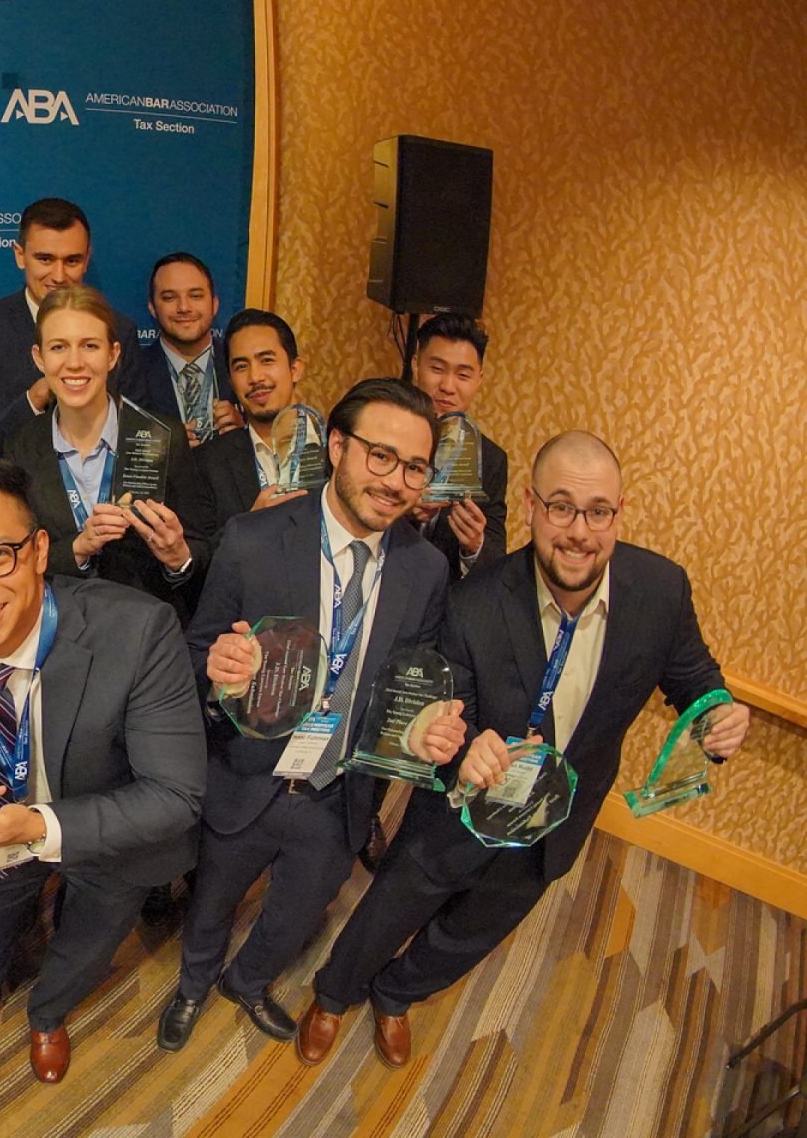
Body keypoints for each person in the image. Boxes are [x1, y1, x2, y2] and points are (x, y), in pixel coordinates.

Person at [296, 431, 752, 1068]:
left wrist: (719, 712)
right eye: (561, 507)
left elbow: (695, 677)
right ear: (533, 507)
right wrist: (461, 749)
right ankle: (334, 993)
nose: (578, 532)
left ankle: (399, 993)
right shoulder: (475, 601)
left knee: (476, 927)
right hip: (459, 808)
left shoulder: (662, 591)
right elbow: (443, 709)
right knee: (394, 905)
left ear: (619, 513)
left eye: (598, 512)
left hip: (554, 820)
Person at [0, 457, 206, 1083]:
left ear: (38, 550)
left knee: (87, 941)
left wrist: (37, 826)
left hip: (107, 836)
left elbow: (174, 795)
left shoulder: (137, 630)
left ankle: (48, 1015)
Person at [157, 378, 458, 1054]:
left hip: (339, 792)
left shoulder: (426, 569)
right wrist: (220, 666)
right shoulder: (253, 539)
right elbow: (200, 645)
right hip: (248, 772)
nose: (396, 481)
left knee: (297, 912)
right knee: (211, 903)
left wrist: (427, 723)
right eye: (381, 456)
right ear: (339, 446)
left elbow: (413, 678)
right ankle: (194, 985)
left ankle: (248, 983)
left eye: (415, 467)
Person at [1, 286, 212, 622]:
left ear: (113, 355)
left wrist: (178, 556)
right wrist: (79, 548)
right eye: (59, 347)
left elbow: (203, 550)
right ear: (39, 358)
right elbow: (16, 560)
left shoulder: (163, 436)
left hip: (146, 635)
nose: (74, 363)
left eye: (90, 346)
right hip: (57, 636)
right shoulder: (20, 447)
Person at [0, 198, 143, 446]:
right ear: (20, 255)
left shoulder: (120, 330)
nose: (58, 276)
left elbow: (139, 433)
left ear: (87, 259)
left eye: (72, 261)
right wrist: (33, 400)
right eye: (45, 259)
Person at [407, 312, 509, 581]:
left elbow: (497, 556)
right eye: (437, 369)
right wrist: (404, 511)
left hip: (446, 602)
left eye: (463, 375)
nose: (448, 387)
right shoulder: (386, 436)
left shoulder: (490, 459)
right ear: (416, 365)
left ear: (479, 379)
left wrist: (474, 545)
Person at [191, 308, 310, 529]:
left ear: (295, 369)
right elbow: (201, 557)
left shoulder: (337, 452)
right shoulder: (206, 465)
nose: (255, 377)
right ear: (231, 380)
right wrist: (250, 527)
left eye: (266, 360)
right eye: (241, 366)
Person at [129, 253, 243, 448]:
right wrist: (160, 449)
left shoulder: (239, 363)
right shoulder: (132, 372)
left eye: (196, 296)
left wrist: (244, 431)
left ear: (214, 304)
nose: (184, 307)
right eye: (169, 297)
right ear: (153, 308)